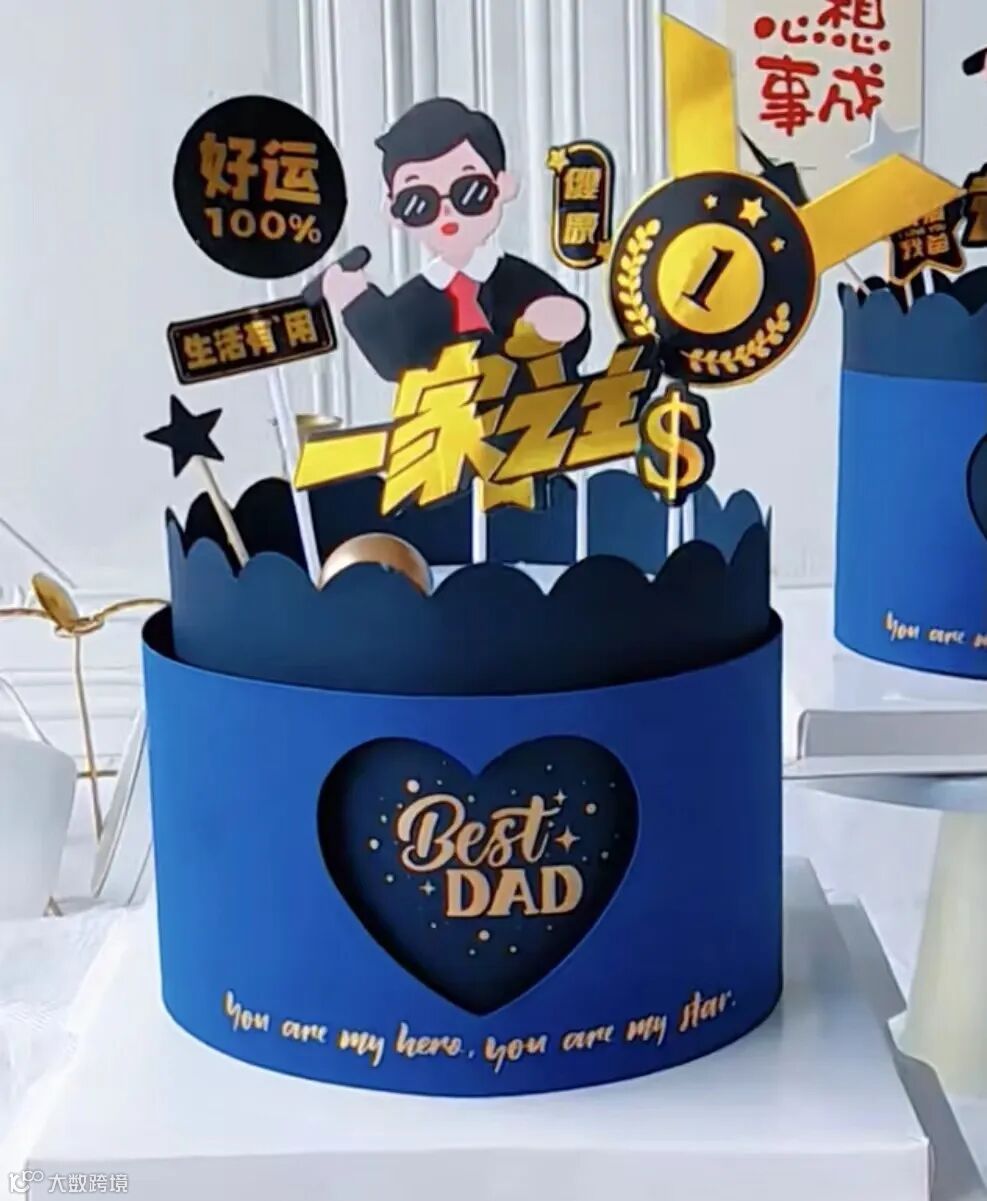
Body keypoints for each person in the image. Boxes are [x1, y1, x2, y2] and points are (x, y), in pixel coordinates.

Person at [322, 97, 590, 381]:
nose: (446, 211)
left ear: (502, 186)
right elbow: (394, 360)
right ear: (393, 211)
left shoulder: (516, 279)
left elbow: (573, 338)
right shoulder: (418, 299)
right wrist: (357, 302)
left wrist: (557, 322)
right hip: (443, 408)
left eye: (470, 192)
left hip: (529, 405)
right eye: (419, 202)